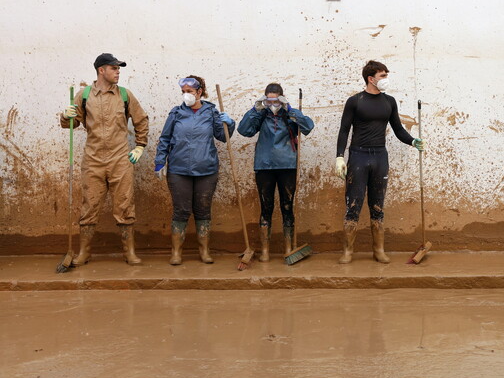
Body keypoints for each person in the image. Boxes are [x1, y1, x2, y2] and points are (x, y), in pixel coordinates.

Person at [60, 53, 149, 266]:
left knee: (125, 205)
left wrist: (140, 146)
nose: (118, 72)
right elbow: (71, 126)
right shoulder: (84, 95)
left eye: (118, 69)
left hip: (120, 158)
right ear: (102, 70)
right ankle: (84, 253)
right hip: (93, 159)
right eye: (114, 68)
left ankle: (129, 253)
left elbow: (141, 120)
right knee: (89, 205)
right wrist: (66, 116)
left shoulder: (125, 95)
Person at [335, 60, 425, 264]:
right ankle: (348, 251)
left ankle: (379, 250)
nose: (386, 79)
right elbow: (343, 130)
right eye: (383, 76)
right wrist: (340, 156)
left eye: (386, 75)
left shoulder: (389, 102)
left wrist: (413, 141)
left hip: (379, 157)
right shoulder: (355, 101)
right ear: (371, 78)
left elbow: (398, 129)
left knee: (377, 205)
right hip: (358, 156)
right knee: (353, 204)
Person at [154, 76, 235, 266]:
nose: (186, 95)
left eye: (189, 91)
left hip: (206, 169)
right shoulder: (176, 113)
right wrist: (160, 162)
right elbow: (164, 139)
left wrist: (229, 123)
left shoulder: (212, 112)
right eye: (183, 92)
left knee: (203, 211)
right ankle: (176, 252)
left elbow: (223, 137)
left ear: (199, 92)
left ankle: (204, 251)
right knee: (181, 211)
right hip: (179, 170)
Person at [238, 83, 314, 262]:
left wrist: (291, 110)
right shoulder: (261, 115)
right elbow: (244, 130)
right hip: (264, 166)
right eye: (269, 100)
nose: (273, 104)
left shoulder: (289, 114)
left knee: (287, 206)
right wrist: (255, 109)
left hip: (287, 165)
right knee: (266, 208)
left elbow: (308, 127)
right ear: (265, 99)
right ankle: (265, 250)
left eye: (276, 100)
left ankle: (288, 247)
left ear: (281, 98)